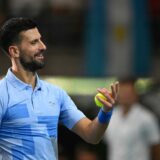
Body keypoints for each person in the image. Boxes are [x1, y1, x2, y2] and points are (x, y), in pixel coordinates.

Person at [0, 17, 119, 160]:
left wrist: (105, 112)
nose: (43, 46)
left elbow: (91, 135)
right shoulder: (2, 93)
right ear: (14, 51)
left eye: (40, 40)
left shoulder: (56, 94)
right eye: (34, 42)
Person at [104, 78, 160, 160]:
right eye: (122, 92)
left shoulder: (147, 118)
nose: (125, 95)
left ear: (136, 94)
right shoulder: (110, 116)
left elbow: (156, 147)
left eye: (128, 92)